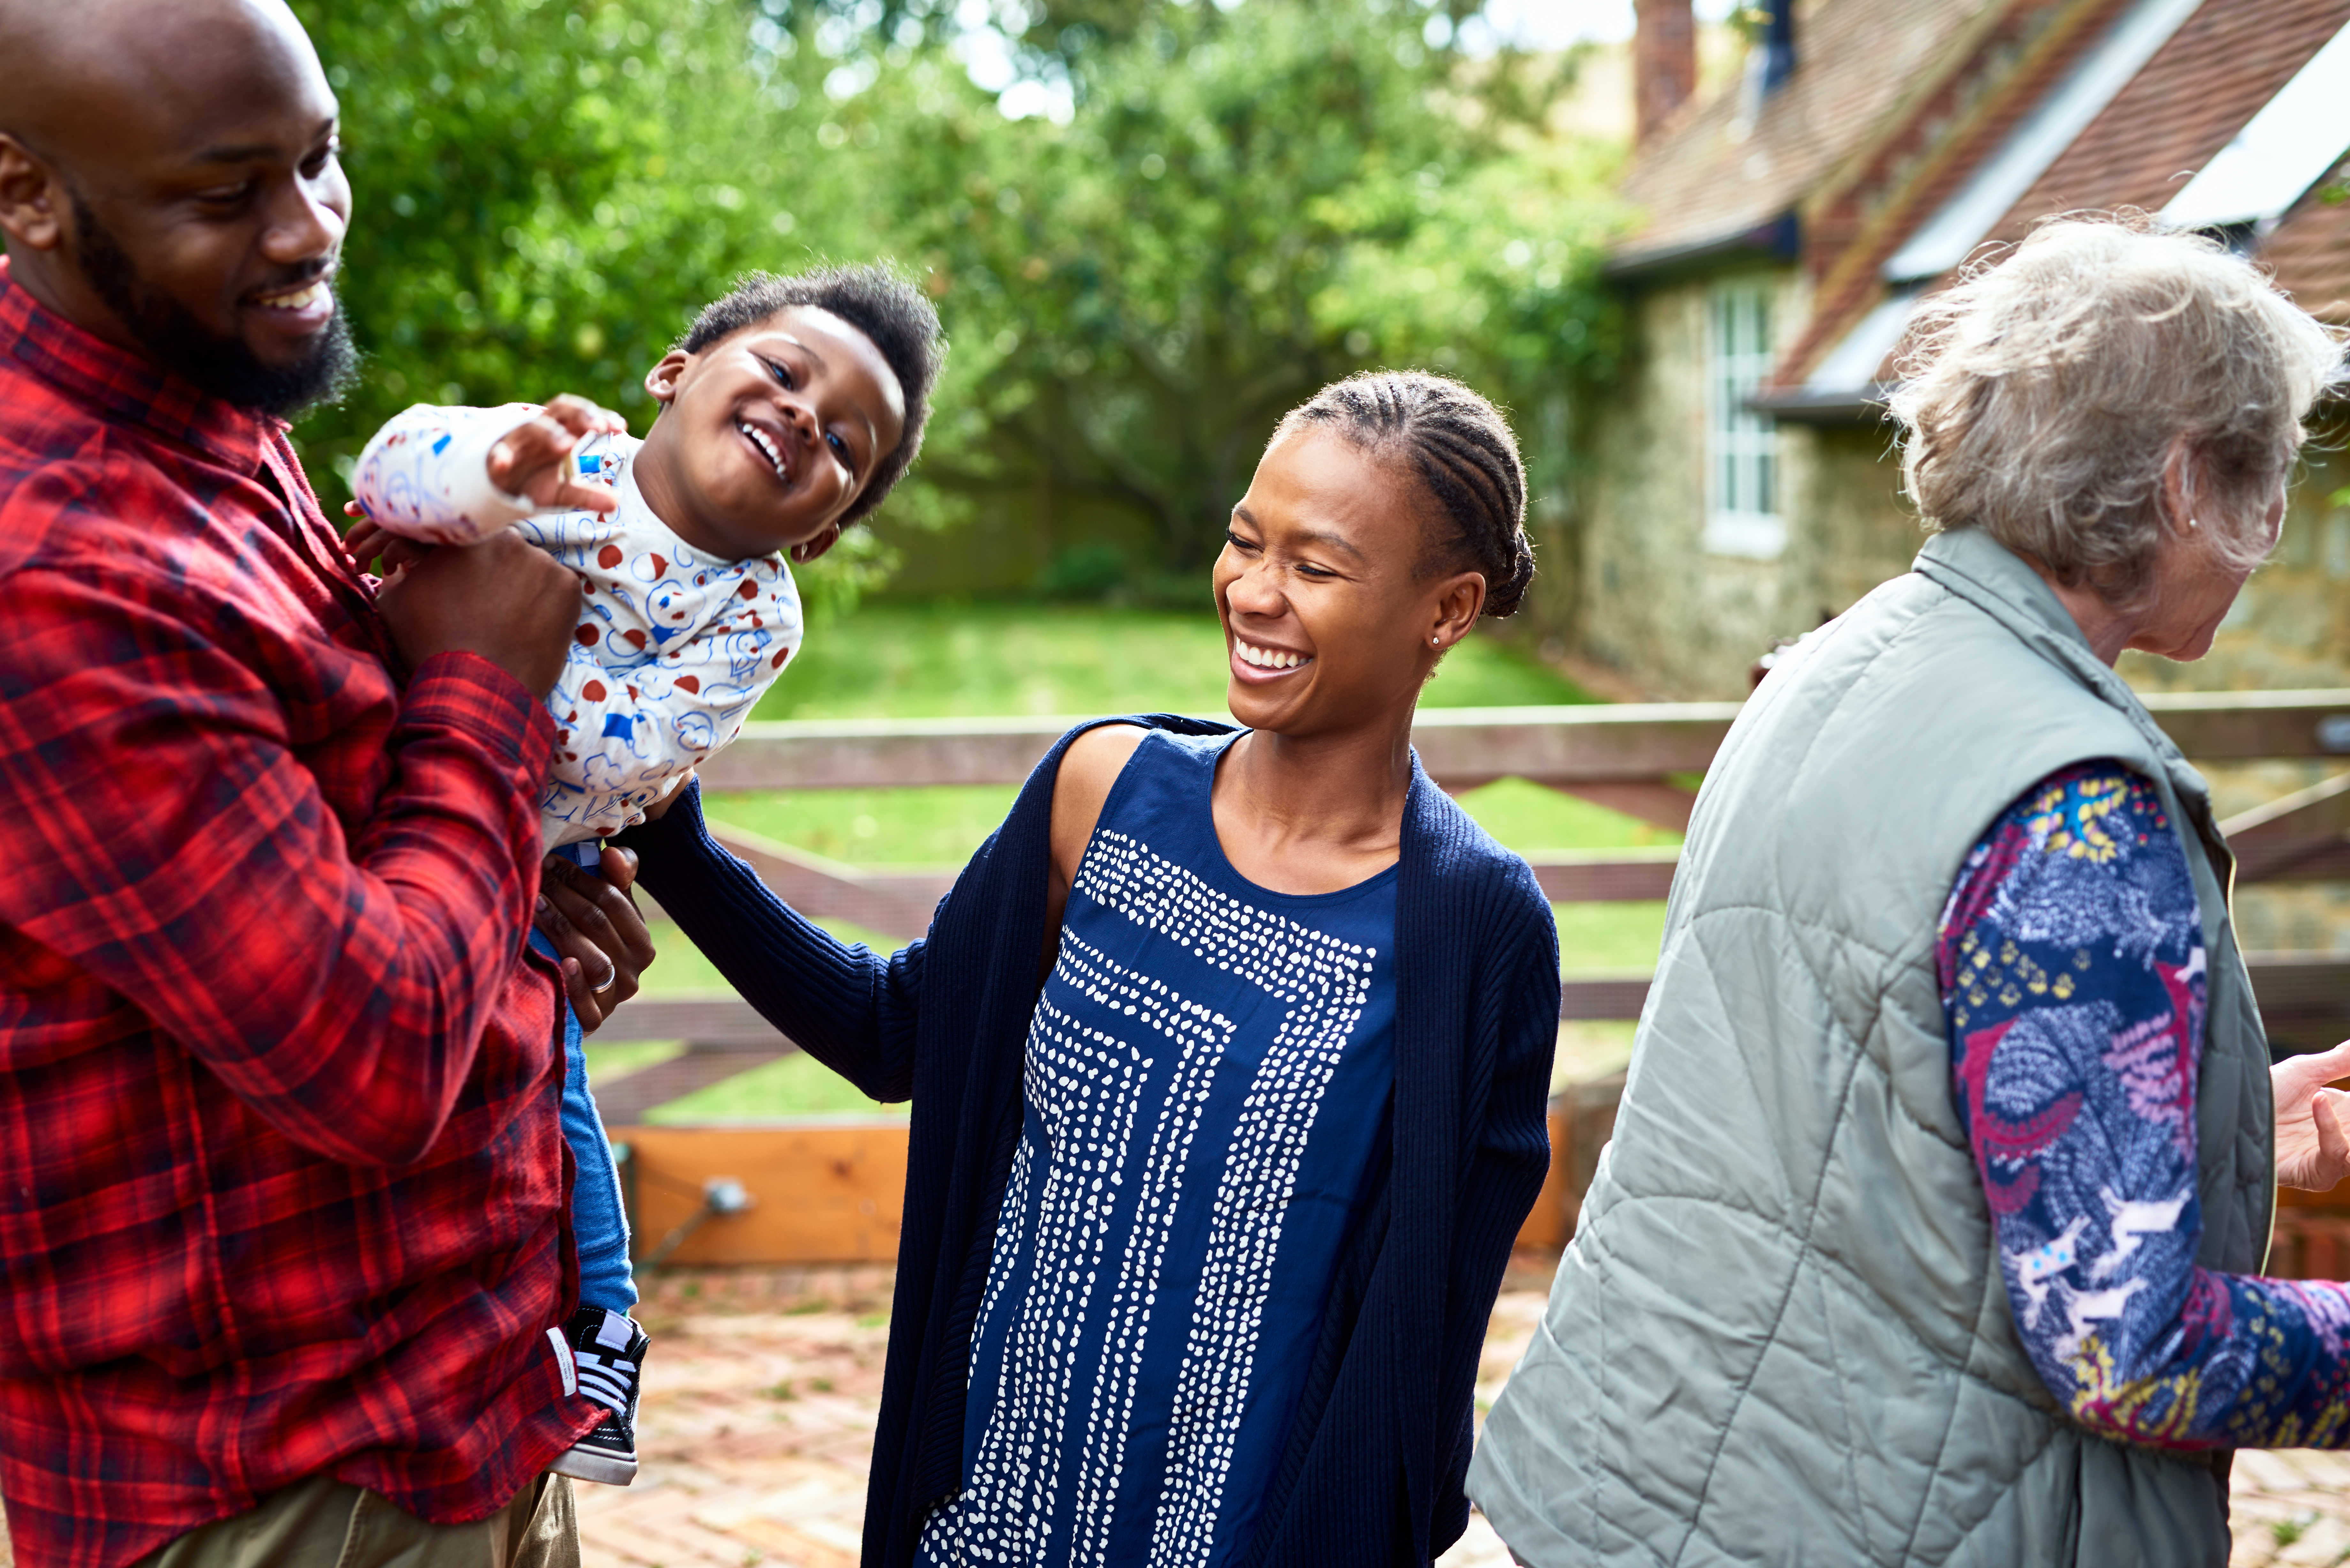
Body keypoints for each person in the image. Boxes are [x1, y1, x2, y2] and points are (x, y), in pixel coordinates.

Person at [1469, 217, 2350, 1565]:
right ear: (2183, 485)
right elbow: (2130, 1349)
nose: (2273, 533)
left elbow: (1858, 1093)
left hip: (1649, 1481)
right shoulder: (2074, 799)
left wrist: (2209, 1121)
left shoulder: (1837, 661)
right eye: (2270, 482)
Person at [615, 370, 1561, 1566]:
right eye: (1243, 541)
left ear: (1448, 608)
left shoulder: (1475, 927)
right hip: (986, 1528)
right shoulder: (1101, 793)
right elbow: (896, 1032)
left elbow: (1427, 1341)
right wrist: (662, 826)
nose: (1254, 594)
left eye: (1315, 568)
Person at [0, 0, 654, 1562]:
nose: (309, 231)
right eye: (230, 193)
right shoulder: (51, 567)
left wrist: (507, 898)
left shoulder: (188, 387)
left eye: (324, 157)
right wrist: (482, 692)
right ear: (22, 190)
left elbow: (303, 836)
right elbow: (371, 1058)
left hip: (451, 1405)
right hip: (280, 1481)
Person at [340, 266, 943, 1485]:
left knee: (549, 1093)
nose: (801, 416)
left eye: (842, 443)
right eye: (783, 370)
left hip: (521, 863)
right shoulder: (569, 462)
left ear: (822, 529)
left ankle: (601, 1333)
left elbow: (633, 752)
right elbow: (381, 473)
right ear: (675, 374)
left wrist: (454, 637)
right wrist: (486, 477)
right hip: (353, 788)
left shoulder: (754, 614)